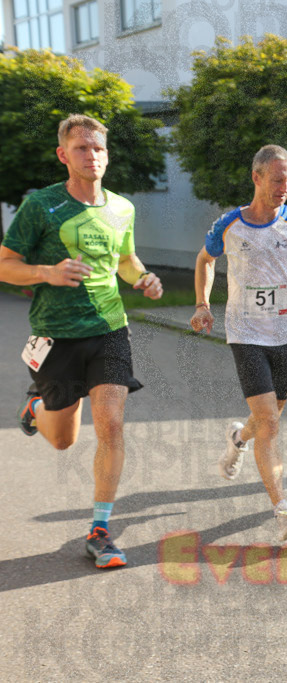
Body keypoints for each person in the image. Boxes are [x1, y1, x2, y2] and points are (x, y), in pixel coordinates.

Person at [0, 114, 164, 568]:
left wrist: (143, 277)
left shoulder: (122, 208)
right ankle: (36, 407)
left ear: (106, 155)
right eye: (81, 148)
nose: (91, 156)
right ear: (63, 154)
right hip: (57, 334)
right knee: (62, 441)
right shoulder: (41, 207)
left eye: (98, 149)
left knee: (111, 425)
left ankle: (100, 530)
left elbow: (126, 259)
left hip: (110, 329)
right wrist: (46, 273)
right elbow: (5, 263)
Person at [190, 144, 287, 542]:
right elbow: (205, 260)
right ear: (256, 178)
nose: (284, 187)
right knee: (270, 422)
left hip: (286, 334)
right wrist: (203, 304)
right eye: (277, 179)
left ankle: (238, 439)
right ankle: (283, 510)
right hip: (245, 333)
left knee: (267, 418)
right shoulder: (229, 225)